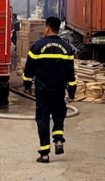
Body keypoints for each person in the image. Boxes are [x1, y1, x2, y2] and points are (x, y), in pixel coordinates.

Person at [22, 16, 76, 164]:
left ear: (47, 27)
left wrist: (27, 87)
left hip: (43, 92)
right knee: (59, 116)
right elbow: (71, 74)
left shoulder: (38, 46)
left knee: (43, 120)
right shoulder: (67, 48)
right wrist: (71, 92)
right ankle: (58, 140)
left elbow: (29, 70)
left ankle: (44, 154)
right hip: (59, 91)